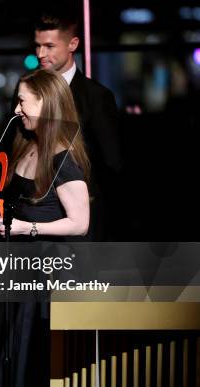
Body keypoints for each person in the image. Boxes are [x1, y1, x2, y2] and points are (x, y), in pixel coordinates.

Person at [0, 69, 90, 387]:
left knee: (32, 360)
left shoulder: (62, 160)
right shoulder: (27, 146)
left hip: (46, 276)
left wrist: (29, 229)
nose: (16, 110)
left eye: (23, 102)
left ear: (46, 103)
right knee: (9, 355)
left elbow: (80, 224)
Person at [33, 7, 121, 240]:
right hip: (35, 214)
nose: (40, 53)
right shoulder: (26, 92)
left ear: (72, 45)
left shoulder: (96, 97)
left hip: (84, 215)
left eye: (49, 46)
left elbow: (112, 162)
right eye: (38, 45)